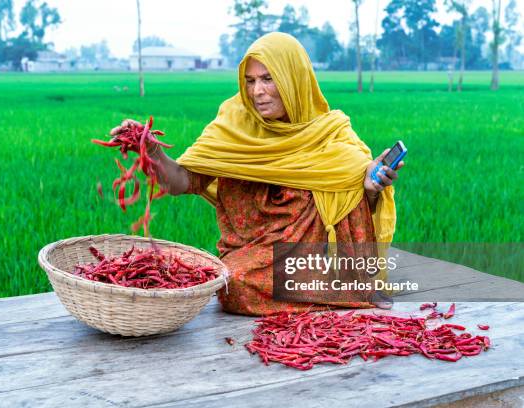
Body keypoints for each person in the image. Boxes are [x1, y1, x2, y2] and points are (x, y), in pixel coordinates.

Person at [111, 32, 404, 316]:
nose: (257, 92)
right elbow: (182, 181)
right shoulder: (233, 124)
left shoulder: (330, 133)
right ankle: (337, 294)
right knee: (232, 284)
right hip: (252, 256)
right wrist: (150, 149)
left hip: (305, 257)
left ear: (293, 79)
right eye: (250, 81)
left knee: (350, 177)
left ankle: (355, 285)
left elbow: (357, 190)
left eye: (268, 79)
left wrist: (368, 187)